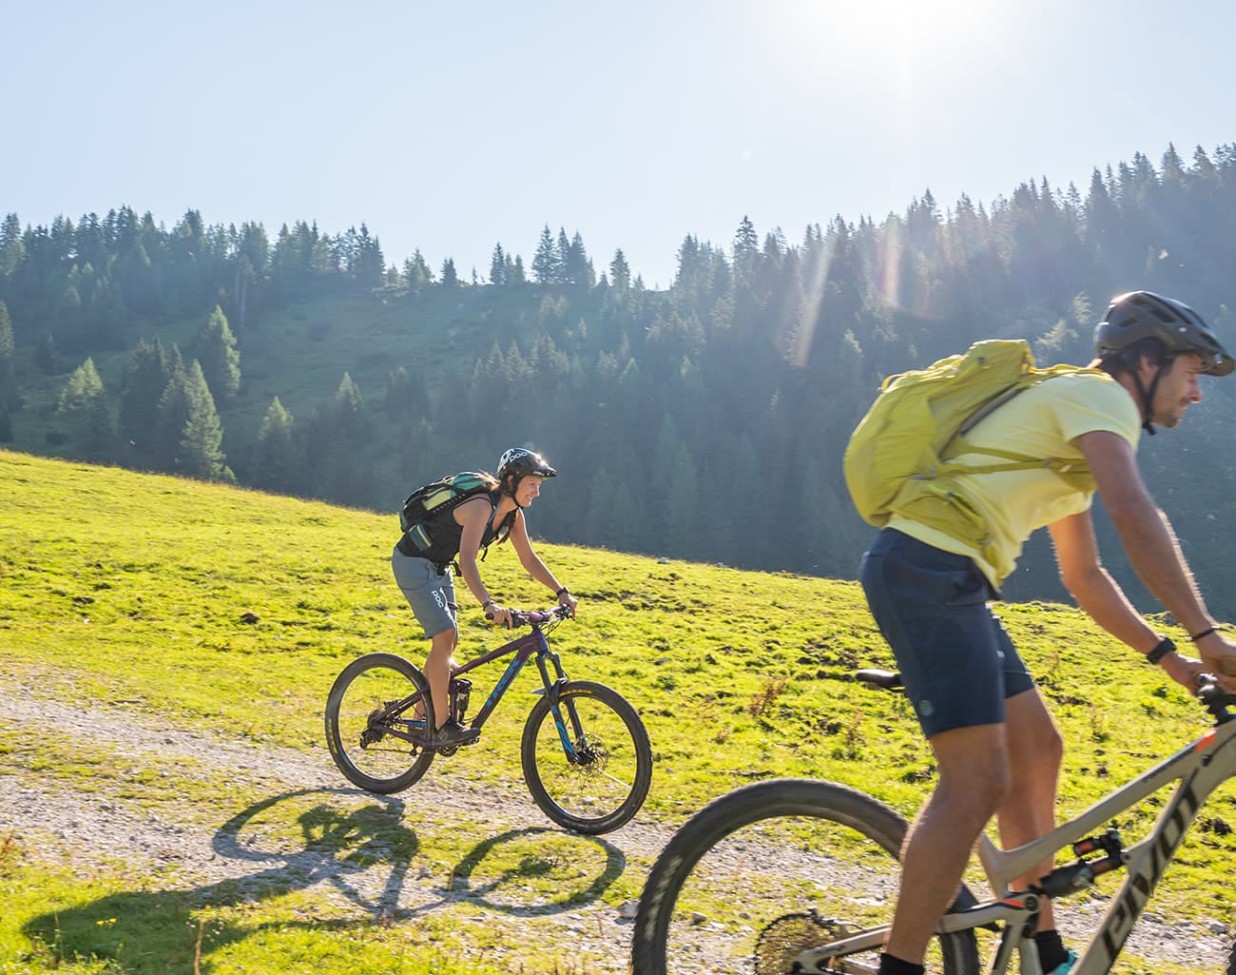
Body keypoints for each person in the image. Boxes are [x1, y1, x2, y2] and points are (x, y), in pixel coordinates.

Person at [856, 291, 1236, 975]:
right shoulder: (1100, 399)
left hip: (948, 576)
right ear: (1146, 362)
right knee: (977, 783)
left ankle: (1043, 952)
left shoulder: (1077, 429)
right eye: (1190, 372)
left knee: (1038, 749)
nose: (1195, 392)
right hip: (927, 568)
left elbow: (1084, 576)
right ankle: (900, 967)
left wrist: (1172, 660)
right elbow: (1133, 510)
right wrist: (1206, 633)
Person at [391, 447, 578, 745]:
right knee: (444, 636)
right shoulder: (481, 506)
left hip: (439, 566)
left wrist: (561, 592)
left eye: (539, 486)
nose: (537, 492)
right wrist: (488, 603)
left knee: (450, 641)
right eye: (532, 484)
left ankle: (419, 718)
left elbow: (529, 559)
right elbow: (467, 560)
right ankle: (442, 726)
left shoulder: (513, 516)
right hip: (413, 562)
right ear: (512, 481)